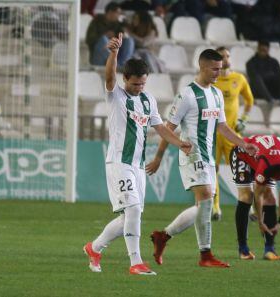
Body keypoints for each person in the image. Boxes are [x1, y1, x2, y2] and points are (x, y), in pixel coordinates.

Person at [83, 33, 192, 276]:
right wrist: (113, 53)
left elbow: (160, 127)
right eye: (135, 84)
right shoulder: (116, 95)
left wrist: (180, 143)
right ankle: (136, 263)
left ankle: (94, 247)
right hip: (119, 162)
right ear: (126, 79)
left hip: (138, 165)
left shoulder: (148, 100)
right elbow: (109, 77)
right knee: (132, 211)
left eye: (142, 83)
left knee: (129, 217)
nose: (139, 87)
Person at [146, 49, 257, 268]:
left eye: (221, 68)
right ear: (202, 67)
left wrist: (244, 144)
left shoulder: (215, 94)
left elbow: (223, 126)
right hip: (191, 154)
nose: (219, 72)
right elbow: (168, 128)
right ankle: (201, 254)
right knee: (206, 200)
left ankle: (169, 238)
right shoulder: (187, 95)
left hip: (208, 156)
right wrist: (159, 157)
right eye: (215, 69)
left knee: (203, 205)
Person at [229, 134, 280, 260]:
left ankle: (269, 249)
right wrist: (260, 221)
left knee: (270, 198)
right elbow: (257, 194)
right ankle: (243, 248)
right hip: (243, 154)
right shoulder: (269, 165)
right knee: (246, 196)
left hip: (264, 157)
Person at [212, 46, 254, 220]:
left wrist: (243, 120)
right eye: (222, 56)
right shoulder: (210, 81)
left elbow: (250, 101)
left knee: (239, 169)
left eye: (228, 55)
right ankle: (215, 208)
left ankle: (248, 207)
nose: (226, 58)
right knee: (212, 171)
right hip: (213, 134)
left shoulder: (239, 78)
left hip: (232, 134)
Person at [85, 2, 134, 66]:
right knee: (103, 39)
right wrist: (105, 35)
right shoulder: (96, 21)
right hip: (99, 55)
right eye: (118, 13)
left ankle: (122, 65)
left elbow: (123, 38)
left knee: (129, 40)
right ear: (110, 12)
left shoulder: (118, 24)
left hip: (115, 57)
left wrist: (124, 31)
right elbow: (89, 39)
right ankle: (116, 65)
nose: (119, 15)